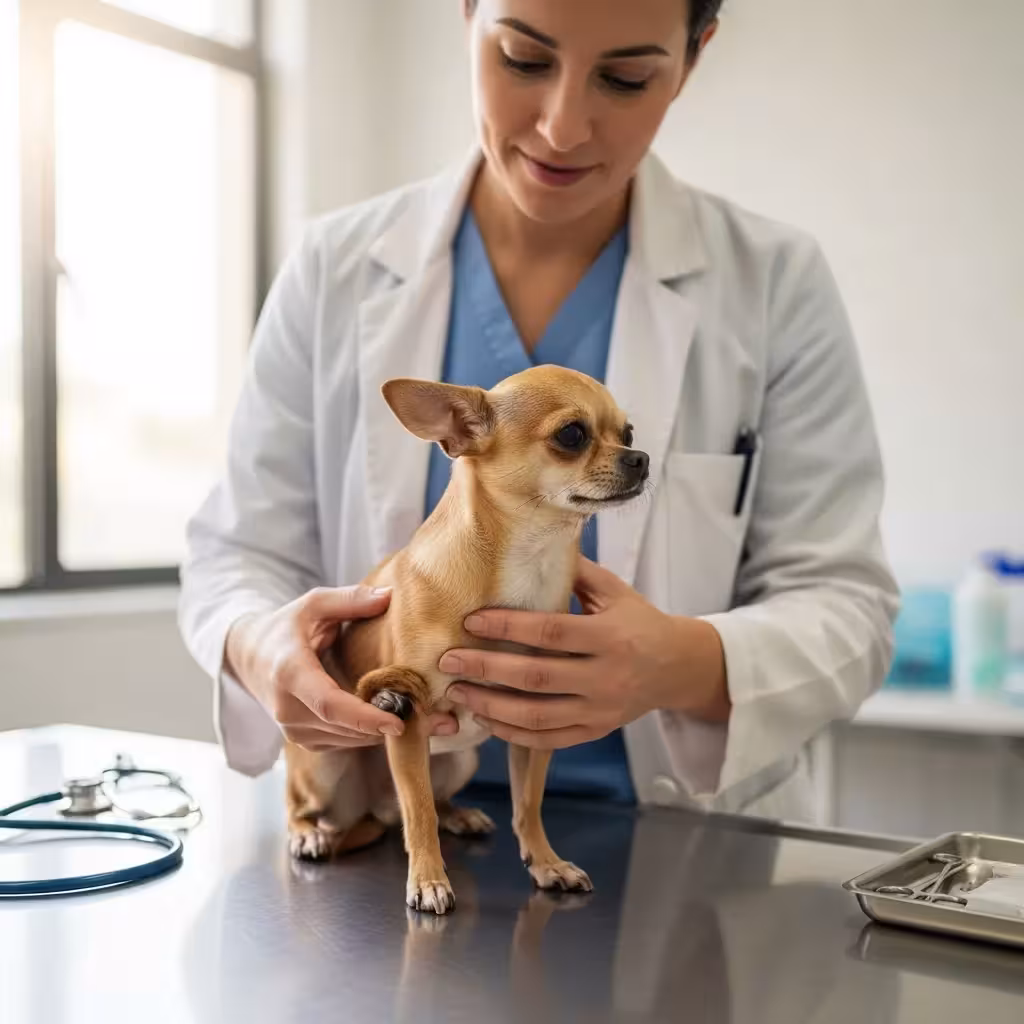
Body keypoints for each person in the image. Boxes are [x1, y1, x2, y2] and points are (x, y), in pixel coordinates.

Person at [178, 0, 900, 823]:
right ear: (467, 15)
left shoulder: (773, 283)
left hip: (679, 832)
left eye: (625, 78)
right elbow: (239, 552)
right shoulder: (330, 268)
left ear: (693, 57)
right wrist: (260, 646)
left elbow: (848, 604)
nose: (562, 128)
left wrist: (682, 662)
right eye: (524, 59)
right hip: (385, 817)